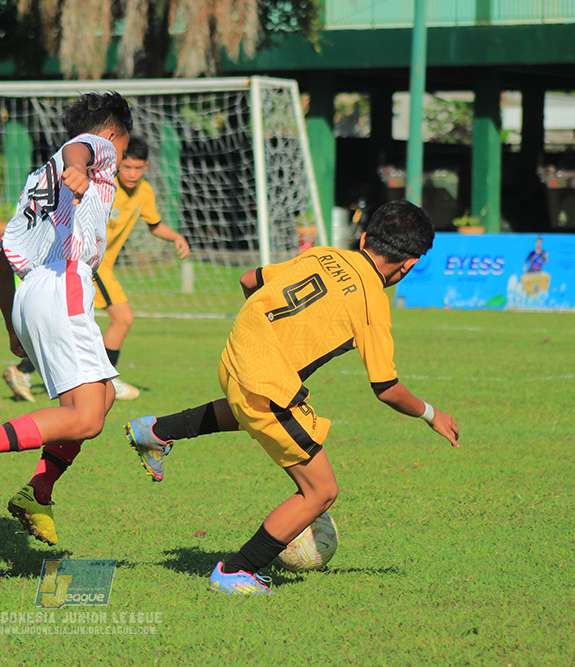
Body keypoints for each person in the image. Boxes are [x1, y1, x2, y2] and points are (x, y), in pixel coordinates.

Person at [124, 199, 460, 595]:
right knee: (322, 491)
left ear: (365, 237)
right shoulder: (373, 304)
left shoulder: (324, 254)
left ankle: (154, 431)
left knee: (247, 411)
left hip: (235, 353)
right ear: (409, 264)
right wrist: (431, 414)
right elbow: (386, 388)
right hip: (267, 382)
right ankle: (236, 571)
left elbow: (250, 280)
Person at [0, 91, 133, 547]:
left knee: (101, 398)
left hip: (30, 295)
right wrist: (82, 169)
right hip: (63, 290)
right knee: (87, 419)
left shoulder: (36, 180)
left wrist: (12, 327)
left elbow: (0, 261)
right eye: (123, 145)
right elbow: (81, 149)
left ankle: (38, 493)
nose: (122, 156)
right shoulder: (92, 151)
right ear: (112, 133)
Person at [2, 135, 190, 402]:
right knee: (122, 318)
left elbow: (154, 224)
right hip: (89, 265)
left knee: (78, 324)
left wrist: (177, 238)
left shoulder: (145, 192)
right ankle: (108, 380)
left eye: (139, 168)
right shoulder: (104, 185)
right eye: (128, 167)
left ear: (147, 167)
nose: (133, 174)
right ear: (117, 163)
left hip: (104, 268)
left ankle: (23, 371)